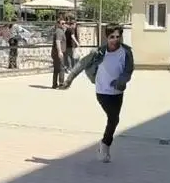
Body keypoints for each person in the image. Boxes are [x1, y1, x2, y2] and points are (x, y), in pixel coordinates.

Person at [63, 24, 134, 162]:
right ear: (107, 37)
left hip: (118, 92)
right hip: (102, 91)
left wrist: (121, 81)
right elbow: (82, 64)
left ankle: (104, 145)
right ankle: (105, 146)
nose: (115, 40)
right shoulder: (99, 52)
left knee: (114, 119)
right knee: (113, 118)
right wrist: (69, 80)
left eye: (118, 37)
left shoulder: (126, 52)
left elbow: (128, 70)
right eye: (112, 37)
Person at [50, 15, 68, 89]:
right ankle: (61, 84)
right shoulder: (59, 31)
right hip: (58, 52)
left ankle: (54, 84)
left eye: (64, 23)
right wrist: (60, 51)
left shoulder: (59, 31)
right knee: (61, 68)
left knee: (56, 68)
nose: (64, 25)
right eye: (62, 23)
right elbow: (58, 41)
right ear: (58, 24)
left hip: (56, 52)